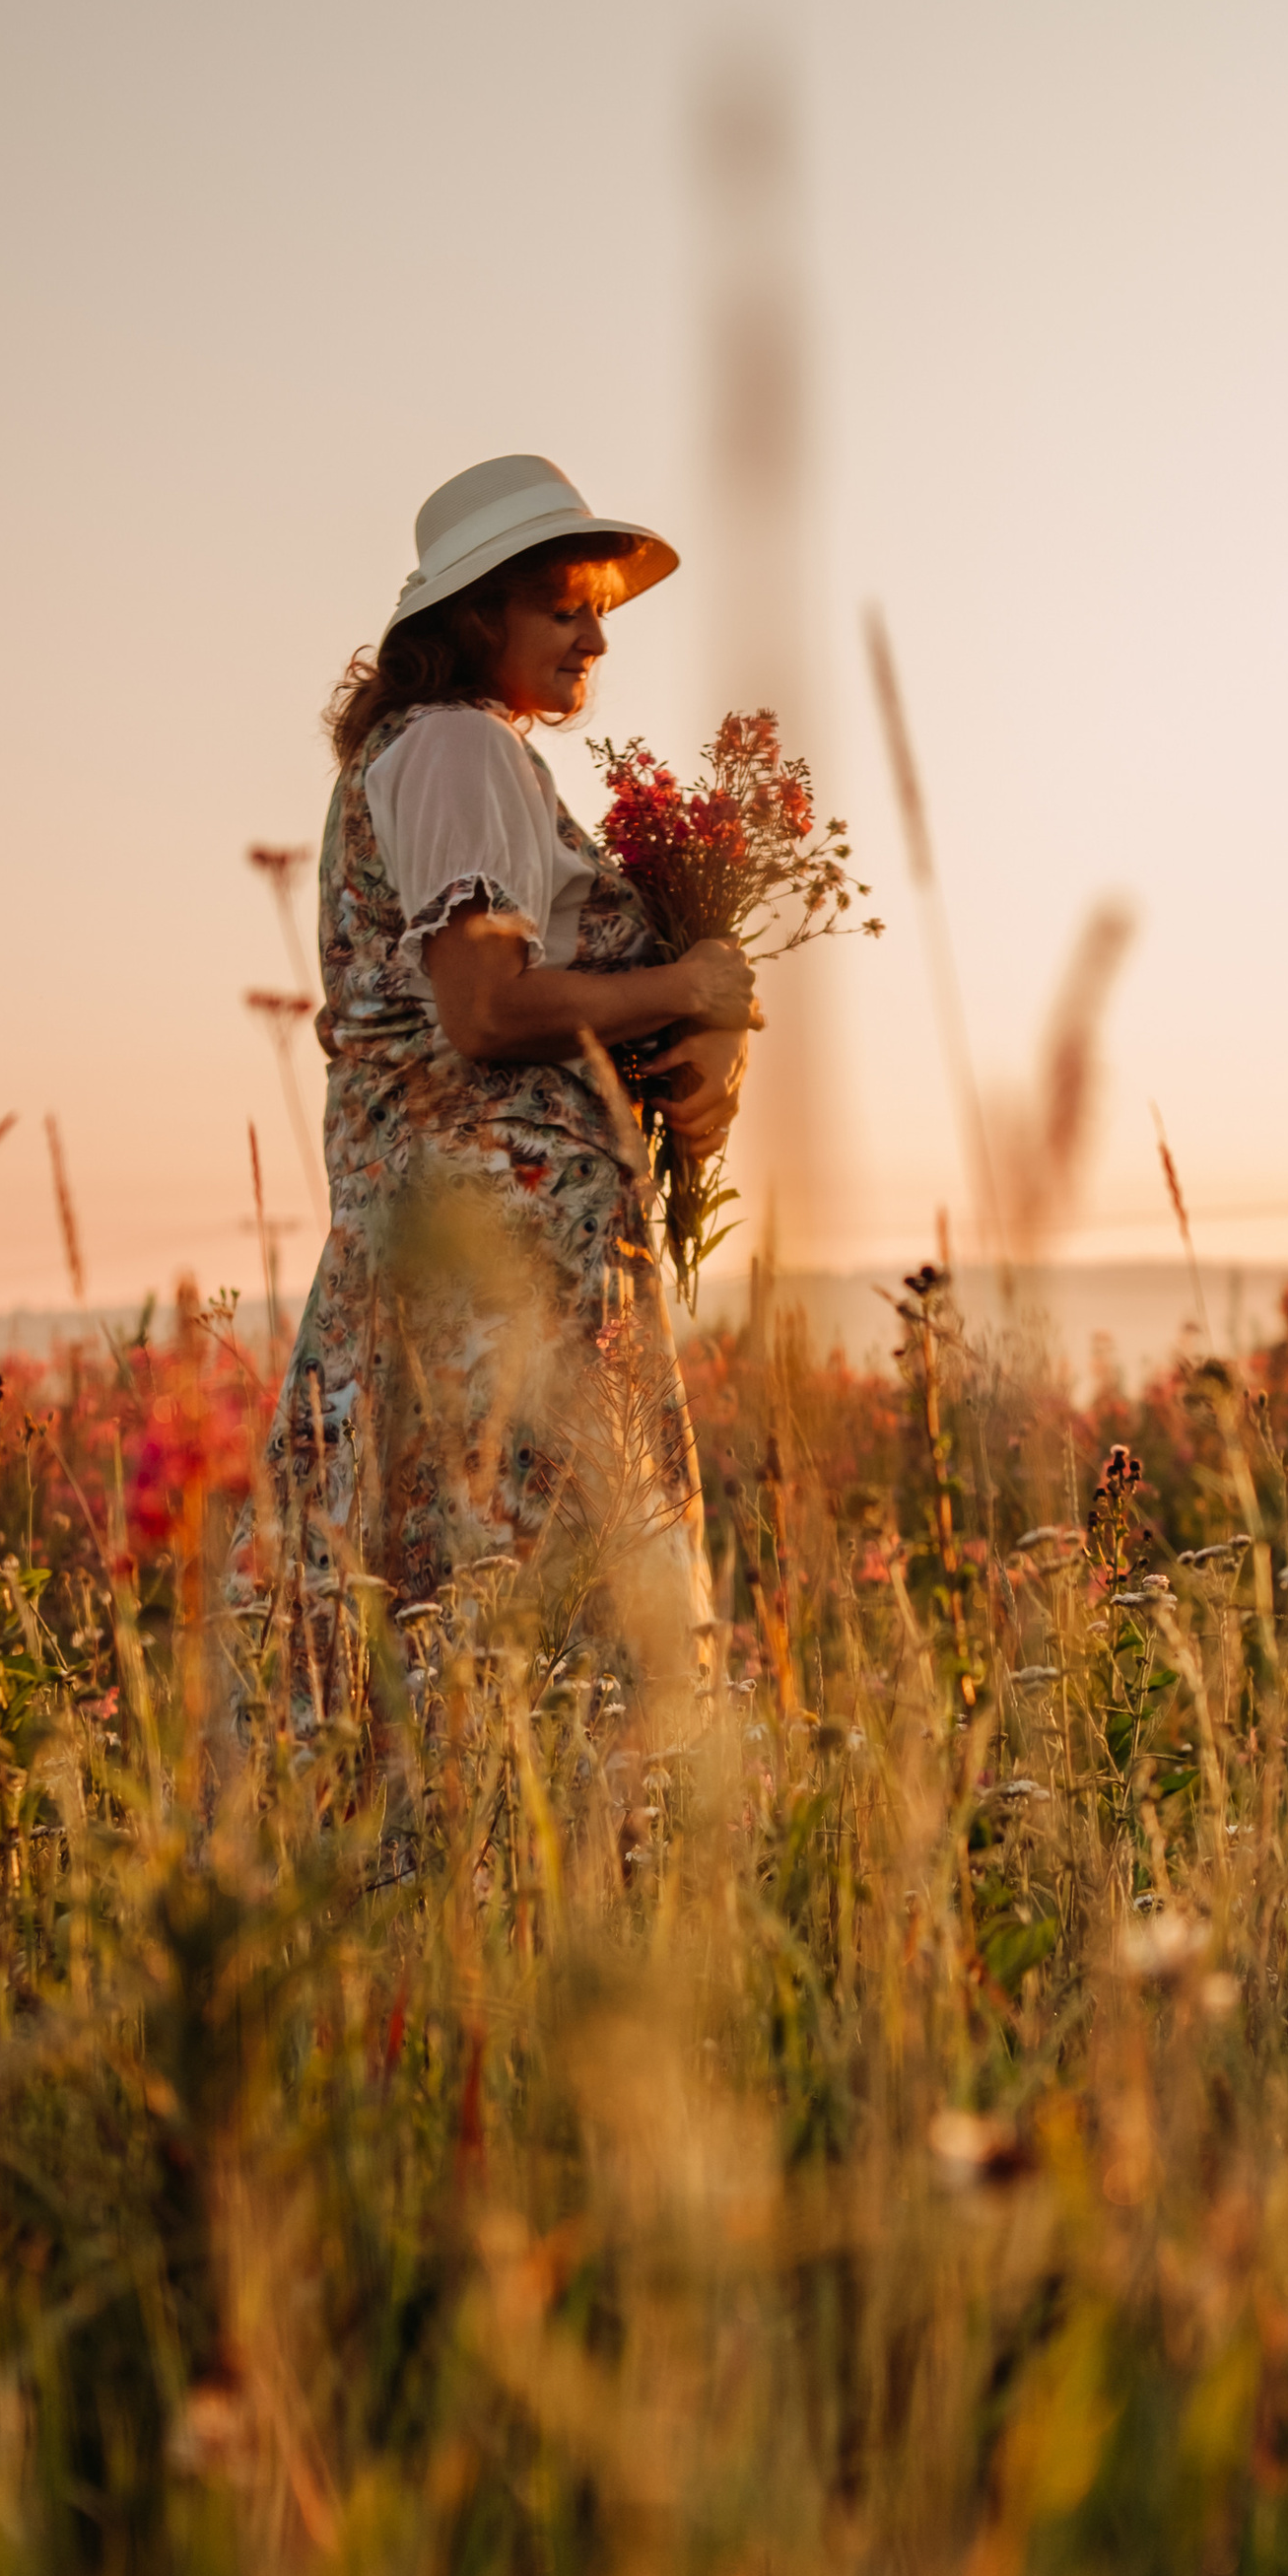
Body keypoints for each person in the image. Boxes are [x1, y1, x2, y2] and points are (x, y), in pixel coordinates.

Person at [269, 454, 756, 1709]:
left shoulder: (459, 756)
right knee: (514, 1605)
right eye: (564, 609)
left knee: (470, 1613)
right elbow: (486, 1010)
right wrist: (689, 986)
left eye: (598, 610)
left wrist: (711, 1037)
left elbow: (565, 1003)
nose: (597, 638)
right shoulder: (457, 748)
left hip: (495, 1249)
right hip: (494, 1265)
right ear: (475, 615)